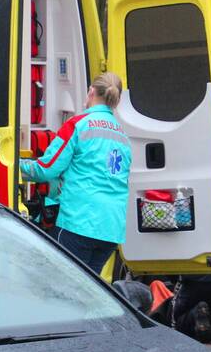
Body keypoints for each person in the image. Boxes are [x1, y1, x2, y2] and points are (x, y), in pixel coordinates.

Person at [20, 72, 132, 273]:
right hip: (111, 229)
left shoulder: (78, 125)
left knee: (58, 282)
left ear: (91, 91)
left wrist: (14, 164)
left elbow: (46, 169)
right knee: (88, 287)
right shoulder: (123, 136)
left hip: (80, 222)